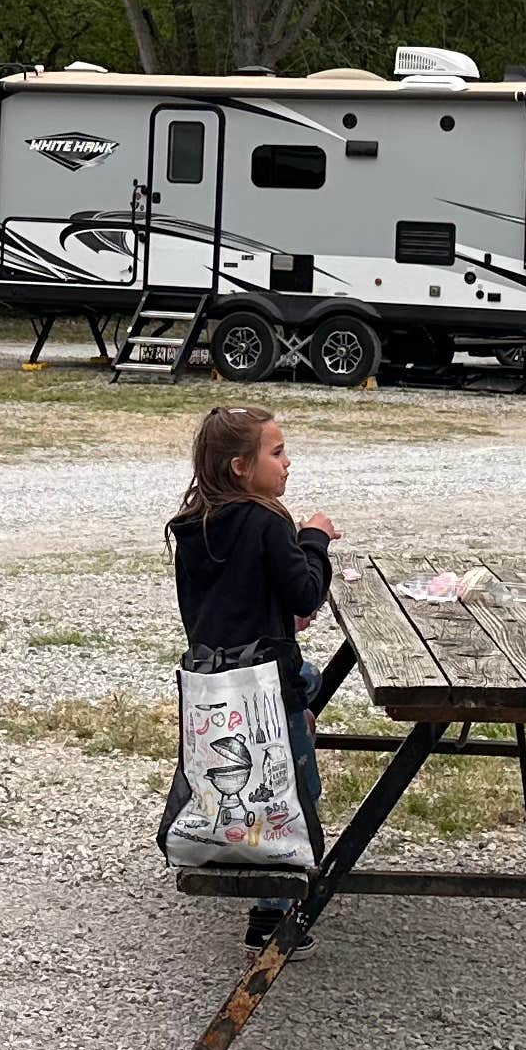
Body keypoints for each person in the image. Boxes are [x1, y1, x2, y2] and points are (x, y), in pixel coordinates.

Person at [160, 403, 337, 943]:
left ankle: (220, 839)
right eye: (277, 452)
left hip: (216, 684)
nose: (288, 463)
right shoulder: (267, 522)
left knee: (237, 769)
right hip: (266, 689)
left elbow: (228, 601)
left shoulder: (193, 526)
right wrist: (315, 539)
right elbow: (307, 591)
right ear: (241, 466)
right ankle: (271, 914)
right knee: (281, 787)